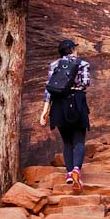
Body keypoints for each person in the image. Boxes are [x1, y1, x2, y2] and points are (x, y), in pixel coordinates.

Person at [40, 38, 91, 192]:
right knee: (79, 141)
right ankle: (76, 170)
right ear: (72, 50)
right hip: (77, 103)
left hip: (59, 105)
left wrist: (44, 112)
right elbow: (86, 83)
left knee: (67, 142)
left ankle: (69, 174)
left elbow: (49, 89)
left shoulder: (54, 65)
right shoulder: (82, 64)